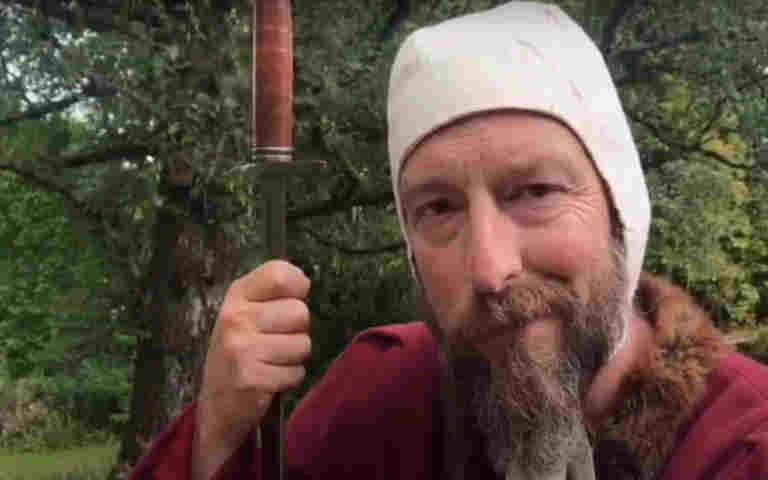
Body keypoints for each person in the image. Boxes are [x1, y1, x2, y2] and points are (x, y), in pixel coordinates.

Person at [129, 3, 768, 480]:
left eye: (534, 192)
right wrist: (215, 430)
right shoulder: (379, 402)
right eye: (438, 208)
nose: (490, 269)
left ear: (620, 207)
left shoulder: (740, 449)